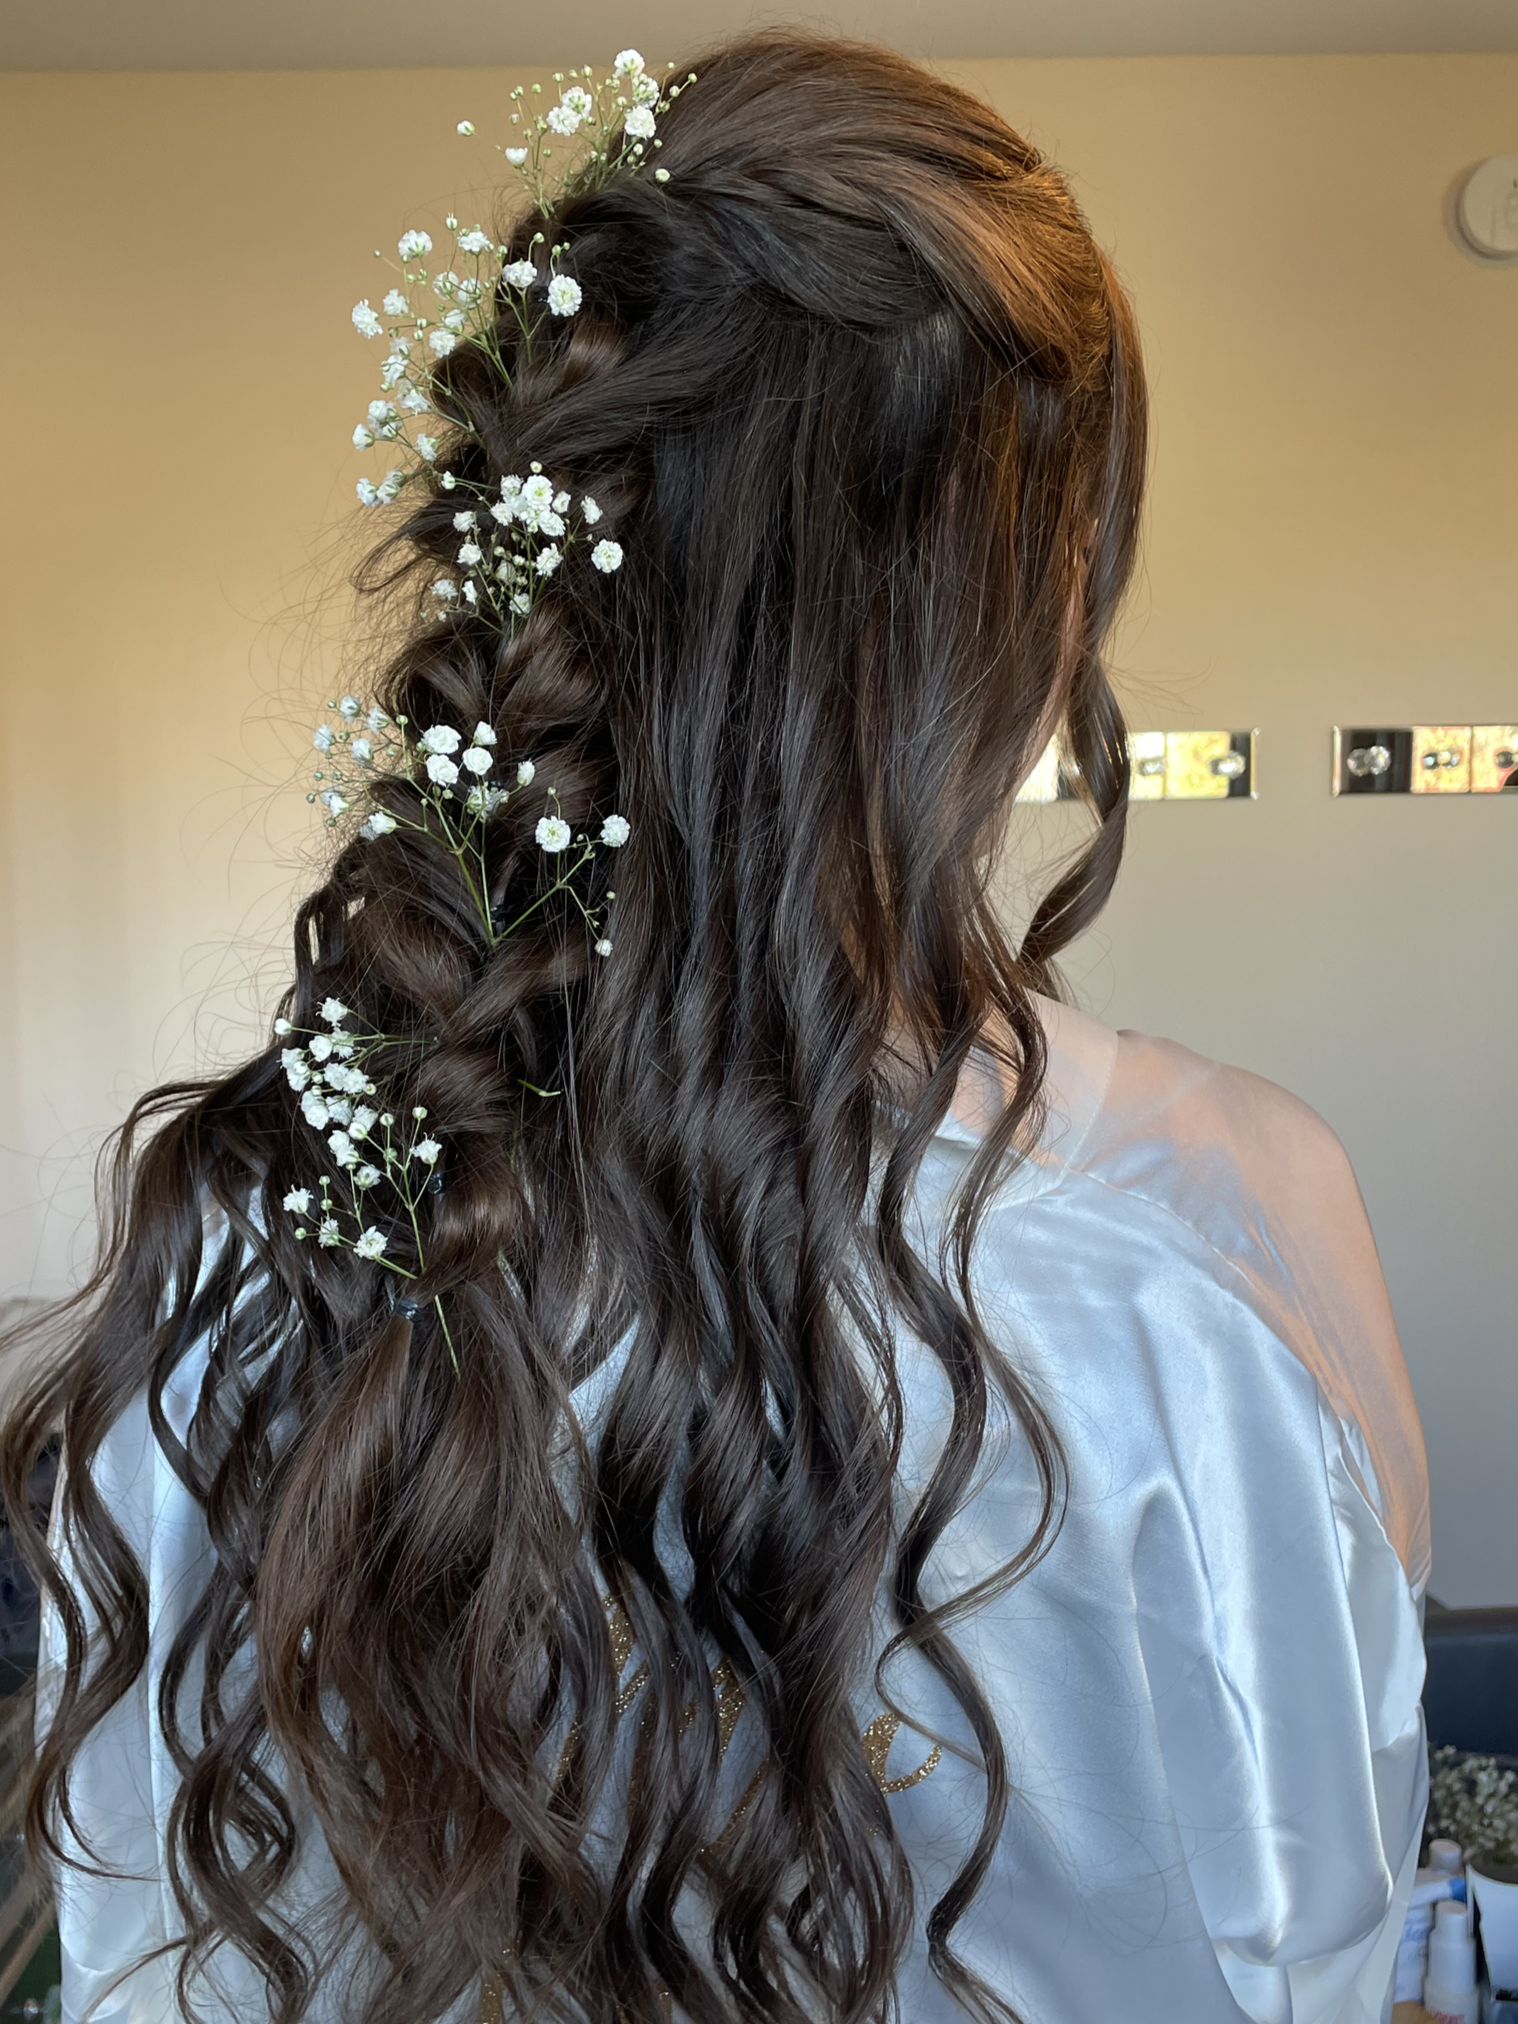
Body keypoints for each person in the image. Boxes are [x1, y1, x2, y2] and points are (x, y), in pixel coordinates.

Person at [0, 32, 1429, 2024]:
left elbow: (163, 1950)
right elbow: (1304, 1933)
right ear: (1047, 599)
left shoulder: (245, 1252)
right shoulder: (1218, 1226)